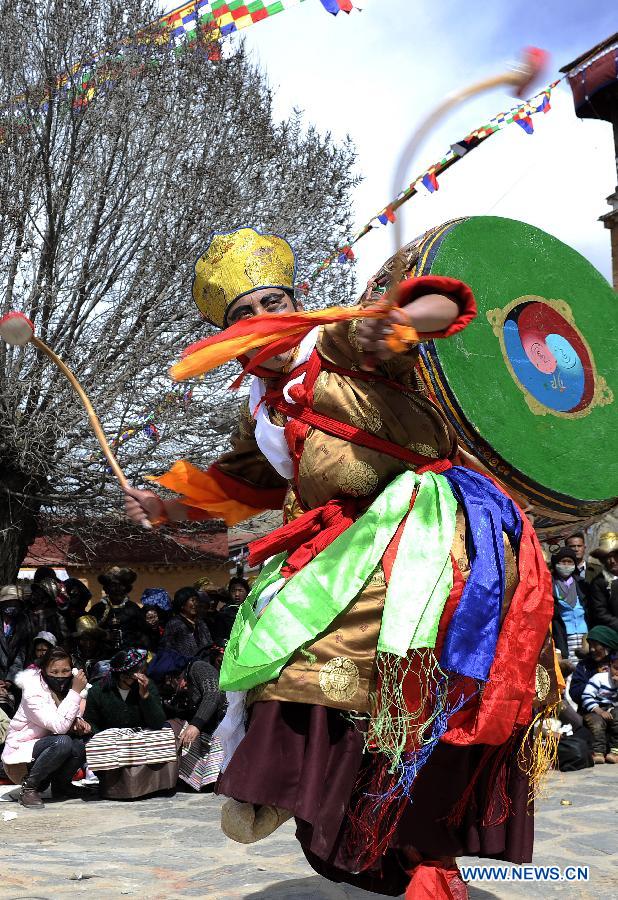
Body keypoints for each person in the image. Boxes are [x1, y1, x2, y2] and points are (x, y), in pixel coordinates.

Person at [122, 227, 556, 898]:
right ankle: (321, 803)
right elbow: (242, 484)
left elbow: (442, 305)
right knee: (274, 639)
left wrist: (401, 324)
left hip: (423, 525)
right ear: (225, 330)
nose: (263, 318)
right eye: (244, 313)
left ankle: (356, 814)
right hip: (345, 542)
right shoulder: (259, 405)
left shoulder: (333, 340)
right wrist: (166, 509)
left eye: (274, 301)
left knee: (370, 669)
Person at [1, 648, 90, 808]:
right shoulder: (33, 692)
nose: (60, 676)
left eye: (65, 671)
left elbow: (67, 715)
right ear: (43, 671)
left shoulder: (68, 686)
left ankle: (62, 785)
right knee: (63, 742)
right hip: (22, 761)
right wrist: (76, 691)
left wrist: (78, 721)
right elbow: (59, 726)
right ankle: (29, 788)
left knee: (82, 742)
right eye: (54, 671)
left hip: (50, 748)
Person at [83, 649, 172, 800]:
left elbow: (157, 722)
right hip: (113, 742)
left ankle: (152, 785)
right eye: (136, 674)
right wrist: (101, 735)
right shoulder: (98, 691)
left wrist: (145, 697)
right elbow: (92, 722)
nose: (141, 677)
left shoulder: (147, 686)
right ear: (122, 675)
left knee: (165, 733)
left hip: (140, 738)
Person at [149, 648, 226, 790]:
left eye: (179, 677)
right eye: (175, 681)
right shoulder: (173, 691)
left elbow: (212, 695)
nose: (182, 684)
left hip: (219, 725)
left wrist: (196, 725)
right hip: (201, 731)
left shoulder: (199, 668)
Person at [90, 567, 144, 651]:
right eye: (113, 585)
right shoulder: (98, 609)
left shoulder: (133, 608)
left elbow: (142, 632)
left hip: (130, 652)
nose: (117, 589)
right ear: (107, 589)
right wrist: (105, 635)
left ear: (126, 588)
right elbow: (88, 631)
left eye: (121, 585)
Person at [550, 547, 588, 663]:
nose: (566, 565)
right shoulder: (550, 583)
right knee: (569, 667)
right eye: (563, 562)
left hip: (584, 634)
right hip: (564, 634)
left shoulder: (581, 583)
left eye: (570, 562)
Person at [581, 652, 618, 764]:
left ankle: (615, 751)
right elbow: (586, 696)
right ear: (610, 665)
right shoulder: (599, 678)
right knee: (597, 724)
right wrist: (600, 711)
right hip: (594, 709)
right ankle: (598, 752)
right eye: (616, 668)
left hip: (613, 709)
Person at [569, 625, 618, 710]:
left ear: (607, 647)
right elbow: (574, 693)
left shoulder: (616, 662)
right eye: (590, 645)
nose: (592, 649)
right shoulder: (584, 665)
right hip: (590, 711)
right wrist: (595, 677)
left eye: (595, 645)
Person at [162, 587, 212, 659]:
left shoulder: (201, 623)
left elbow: (209, 643)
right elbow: (167, 649)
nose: (196, 604)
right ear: (182, 604)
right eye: (192, 600)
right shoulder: (174, 624)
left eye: (197, 600)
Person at [0, 585, 32, 683]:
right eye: (10, 603)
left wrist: (10, 680)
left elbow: (20, 655)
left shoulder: (23, 622)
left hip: (10, 679)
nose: (13, 606)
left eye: (16, 604)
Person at [27, 574, 69, 647]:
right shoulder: (26, 615)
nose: (34, 595)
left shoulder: (57, 619)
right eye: (35, 591)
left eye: (39, 593)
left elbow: (64, 641)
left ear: (46, 599)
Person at [588, 533, 618, 632]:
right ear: (602, 560)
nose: (612, 561)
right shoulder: (599, 582)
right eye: (608, 557)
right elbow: (601, 613)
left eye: (615, 556)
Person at [211, 578, 249, 645]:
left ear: (247, 592)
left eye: (240, 591)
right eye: (233, 591)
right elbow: (219, 638)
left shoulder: (252, 612)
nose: (237, 594)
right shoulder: (223, 615)